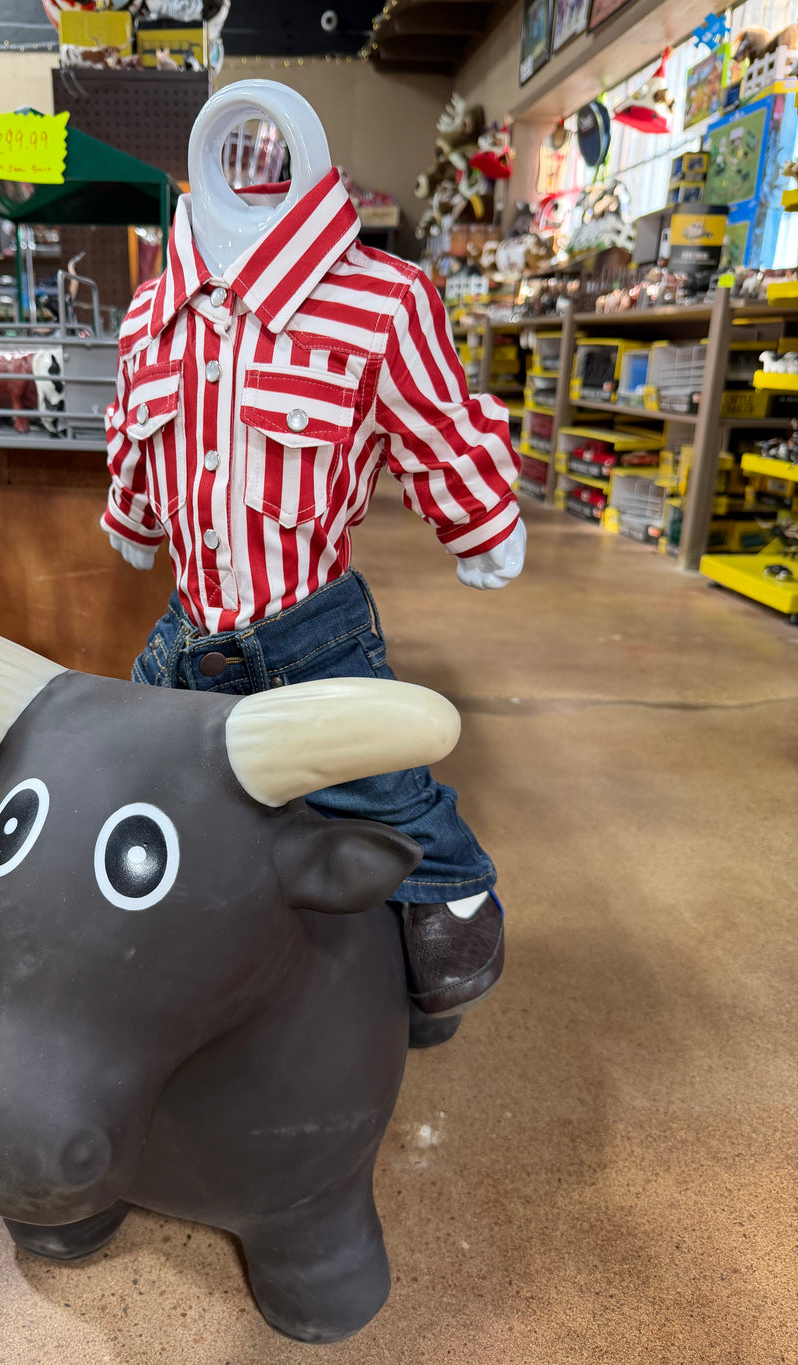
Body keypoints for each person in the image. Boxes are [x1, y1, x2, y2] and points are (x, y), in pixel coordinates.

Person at [101, 89, 524, 1017]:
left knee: (392, 805)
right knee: (114, 788)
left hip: (314, 638)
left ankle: (450, 885)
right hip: (186, 636)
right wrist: (131, 521)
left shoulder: (385, 300)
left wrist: (483, 523)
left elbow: (439, 427)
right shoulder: (147, 316)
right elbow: (134, 439)